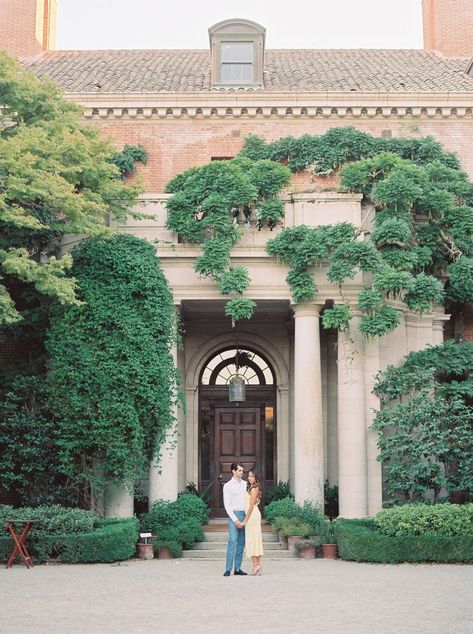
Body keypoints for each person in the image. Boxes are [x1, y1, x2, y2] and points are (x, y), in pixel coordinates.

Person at [222, 463, 247, 577]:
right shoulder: (227, 486)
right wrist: (236, 520)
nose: (242, 472)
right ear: (233, 471)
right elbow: (227, 505)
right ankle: (228, 569)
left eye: (242, 471)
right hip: (233, 515)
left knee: (241, 543)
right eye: (240, 470)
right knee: (232, 541)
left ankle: (237, 568)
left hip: (244, 514)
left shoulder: (246, 484)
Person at [242, 469, 264, 575]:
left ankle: (256, 565)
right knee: (254, 539)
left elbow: (251, 505)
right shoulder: (252, 488)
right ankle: (257, 565)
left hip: (252, 516)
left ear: (256, 478)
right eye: (249, 476)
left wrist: (245, 520)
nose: (250, 478)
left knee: (252, 540)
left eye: (252, 476)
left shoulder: (254, 489)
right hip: (253, 515)